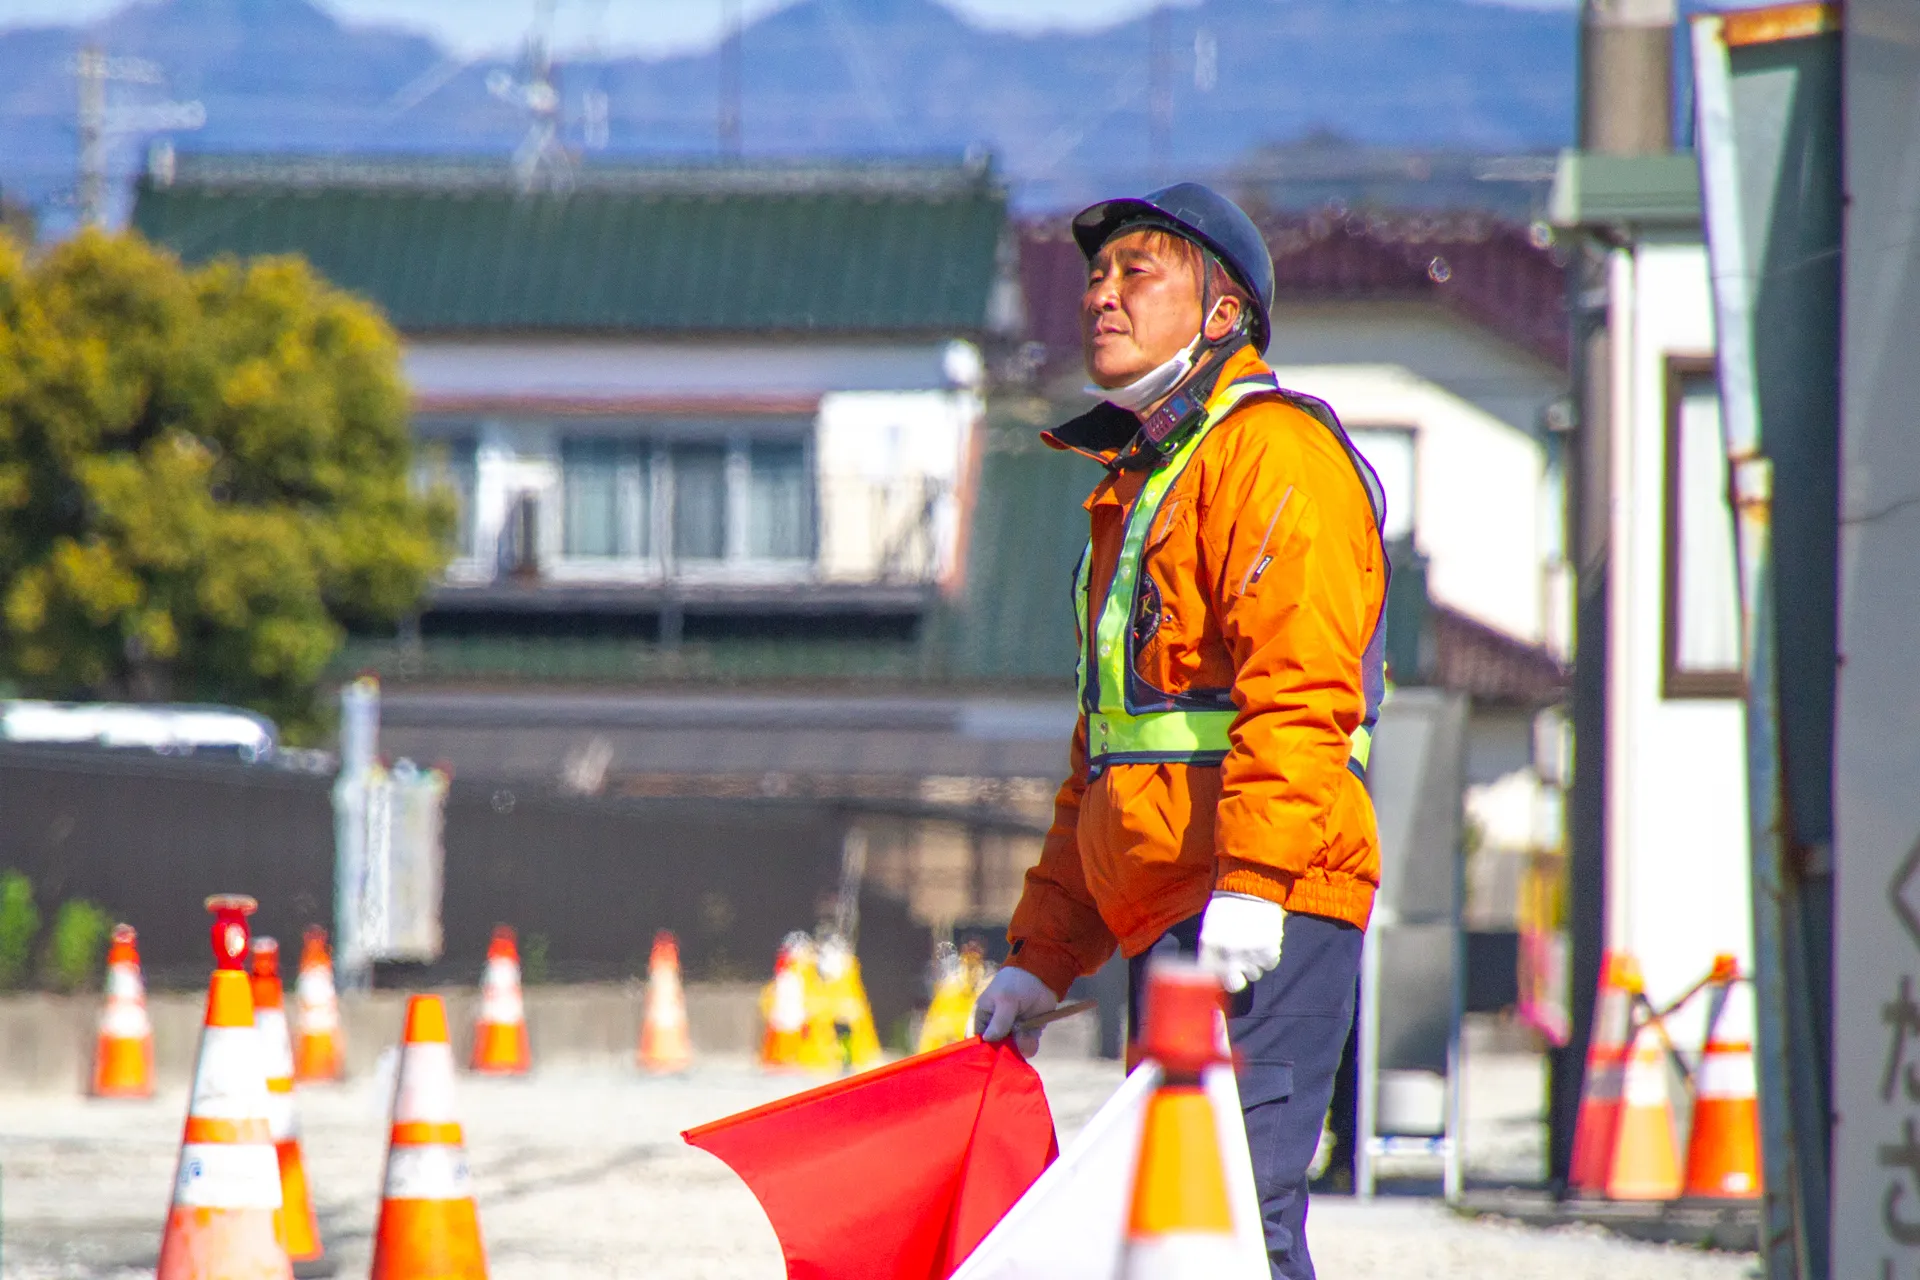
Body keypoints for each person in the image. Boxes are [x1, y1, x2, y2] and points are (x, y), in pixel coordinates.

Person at [973, 183, 1388, 1279]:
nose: (1101, 296)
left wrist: (1254, 881)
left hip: (1268, 905)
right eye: (1096, 277)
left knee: (1236, 1216)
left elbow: (1302, 691)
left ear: (1221, 313)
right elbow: (1110, 753)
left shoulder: (1271, 455)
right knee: (1186, 1224)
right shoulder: (1148, 476)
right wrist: (1044, 955)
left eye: (1136, 273)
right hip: (1177, 909)